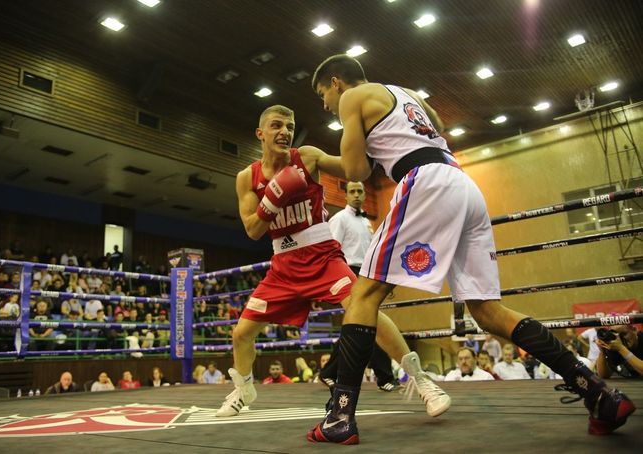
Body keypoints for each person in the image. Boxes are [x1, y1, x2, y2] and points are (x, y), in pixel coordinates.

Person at [307, 54, 635, 444]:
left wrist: (319, 158)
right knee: (487, 311)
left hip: (424, 182)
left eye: (322, 93)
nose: (325, 103)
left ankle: (340, 418)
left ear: (337, 81)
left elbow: (358, 170)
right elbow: (438, 123)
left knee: (362, 296)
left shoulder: (352, 97)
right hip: (462, 184)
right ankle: (598, 393)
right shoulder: (405, 93)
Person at [215, 104, 441, 418]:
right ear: (260, 133)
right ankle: (243, 389)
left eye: (289, 127)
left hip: (322, 255)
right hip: (283, 266)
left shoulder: (306, 157)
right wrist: (275, 195)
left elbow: (355, 169)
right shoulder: (246, 178)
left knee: (363, 310)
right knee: (241, 334)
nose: (284, 132)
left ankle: (421, 380)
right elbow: (253, 229)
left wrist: (366, 134)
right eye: (277, 126)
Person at [323, 180, 400, 392]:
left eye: (359, 191)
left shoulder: (367, 222)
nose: (356, 195)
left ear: (365, 195)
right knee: (369, 324)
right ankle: (385, 377)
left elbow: (372, 254)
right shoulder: (339, 219)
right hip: (348, 272)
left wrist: (382, 278)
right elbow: (331, 251)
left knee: (357, 327)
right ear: (346, 195)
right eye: (352, 191)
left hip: (367, 273)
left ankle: (329, 371)